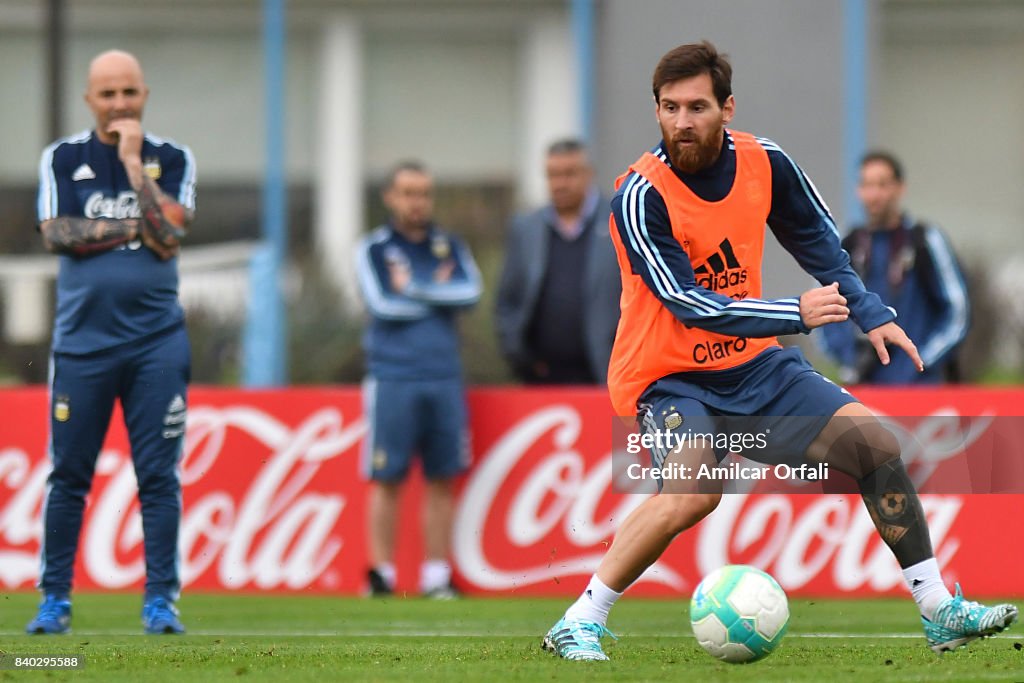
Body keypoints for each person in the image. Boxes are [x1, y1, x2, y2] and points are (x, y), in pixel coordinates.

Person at [541, 41, 1016, 661]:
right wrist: (794, 312)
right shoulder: (639, 194)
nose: (682, 122)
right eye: (669, 108)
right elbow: (689, 302)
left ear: (727, 108)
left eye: (697, 107)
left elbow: (818, 241)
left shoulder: (766, 162)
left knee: (875, 447)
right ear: (656, 111)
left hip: (753, 366)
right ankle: (580, 619)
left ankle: (938, 611)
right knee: (693, 490)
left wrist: (870, 311)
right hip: (669, 377)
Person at [27, 49, 195, 635]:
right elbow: (58, 234)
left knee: (159, 477)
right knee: (69, 476)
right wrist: (137, 229)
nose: (119, 103)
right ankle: (54, 601)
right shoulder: (63, 158)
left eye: (129, 92)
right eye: (108, 94)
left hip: (157, 345)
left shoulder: (171, 158)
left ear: (144, 93)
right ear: (89, 99)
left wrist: (131, 163)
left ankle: (159, 603)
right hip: (82, 347)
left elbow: (172, 234)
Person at [355, 161, 482, 598]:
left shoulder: (449, 245)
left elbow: (470, 293)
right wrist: (435, 294)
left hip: (444, 375)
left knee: (442, 476)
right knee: (386, 477)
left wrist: (414, 286)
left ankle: (435, 577)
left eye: (424, 193)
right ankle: (381, 575)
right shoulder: (373, 248)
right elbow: (382, 304)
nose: (417, 202)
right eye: (408, 192)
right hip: (393, 376)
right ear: (390, 197)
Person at [821, 151, 970, 384]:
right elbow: (825, 308)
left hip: (919, 392)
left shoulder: (925, 239)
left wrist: (923, 359)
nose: (875, 194)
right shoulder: (846, 243)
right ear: (858, 191)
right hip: (863, 387)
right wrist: (849, 359)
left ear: (900, 188)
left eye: (883, 184)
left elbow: (957, 311)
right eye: (867, 185)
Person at [495, 139, 620, 384]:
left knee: (612, 425)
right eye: (553, 175)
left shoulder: (618, 222)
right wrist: (518, 354)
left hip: (607, 377)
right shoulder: (526, 228)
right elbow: (507, 300)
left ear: (588, 174)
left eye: (569, 174)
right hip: (542, 380)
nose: (560, 184)